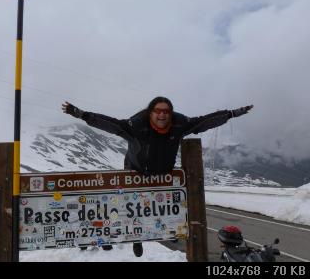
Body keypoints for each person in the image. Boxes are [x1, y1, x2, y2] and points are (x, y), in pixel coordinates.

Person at [62, 97, 253, 257]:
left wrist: (230, 114)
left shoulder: (179, 124)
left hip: (163, 172)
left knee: (166, 204)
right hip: (136, 171)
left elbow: (203, 122)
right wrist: (82, 114)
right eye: (158, 110)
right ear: (150, 112)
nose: (162, 114)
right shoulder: (136, 125)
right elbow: (112, 125)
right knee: (134, 207)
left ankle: (170, 230)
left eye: (166, 111)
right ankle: (138, 238)